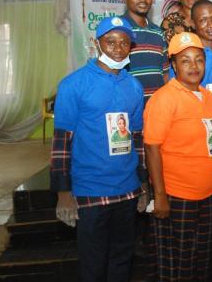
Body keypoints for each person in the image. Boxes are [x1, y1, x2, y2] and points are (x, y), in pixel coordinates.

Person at [50, 16, 148, 281]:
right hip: (90, 191)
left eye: (124, 42)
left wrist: (142, 184)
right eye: (110, 42)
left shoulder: (133, 86)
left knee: (122, 260)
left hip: (126, 190)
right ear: (97, 43)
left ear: (131, 46)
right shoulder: (73, 84)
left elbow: (137, 139)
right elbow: (61, 143)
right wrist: (63, 192)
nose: (117, 48)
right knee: (93, 264)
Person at [144, 32, 212, 281]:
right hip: (177, 196)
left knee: (202, 260)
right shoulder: (164, 98)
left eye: (199, 59)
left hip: (208, 195)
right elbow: (151, 148)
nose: (194, 66)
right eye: (185, 60)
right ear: (173, 65)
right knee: (178, 264)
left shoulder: (209, 97)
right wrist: (159, 196)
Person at [122, 0, 168, 103]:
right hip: (129, 108)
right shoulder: (118, 30)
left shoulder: (158, 33)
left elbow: (164, 73)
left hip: (156, 109)